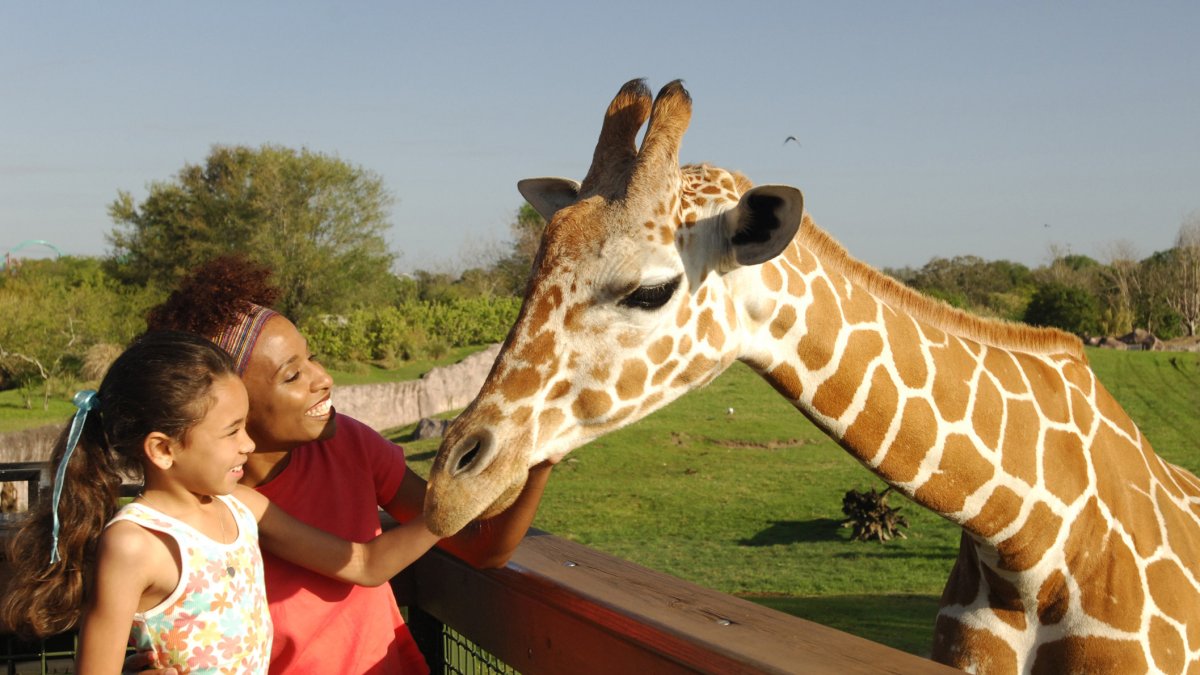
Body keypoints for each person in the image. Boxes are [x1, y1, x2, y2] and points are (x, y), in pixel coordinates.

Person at [139, 256, 553, 673]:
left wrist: (540, 457)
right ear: (231, 403)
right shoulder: (198, 514)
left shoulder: (348, 445)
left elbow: (481, 547)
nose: (323, 378)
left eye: (311, 357)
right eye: (292, 376)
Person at [0, 331, 442, 674]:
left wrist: (448, 511)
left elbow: (363, 564)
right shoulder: (135, 544)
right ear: (162, 450)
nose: (248, 444)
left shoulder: (242, 507)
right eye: (232, 431)